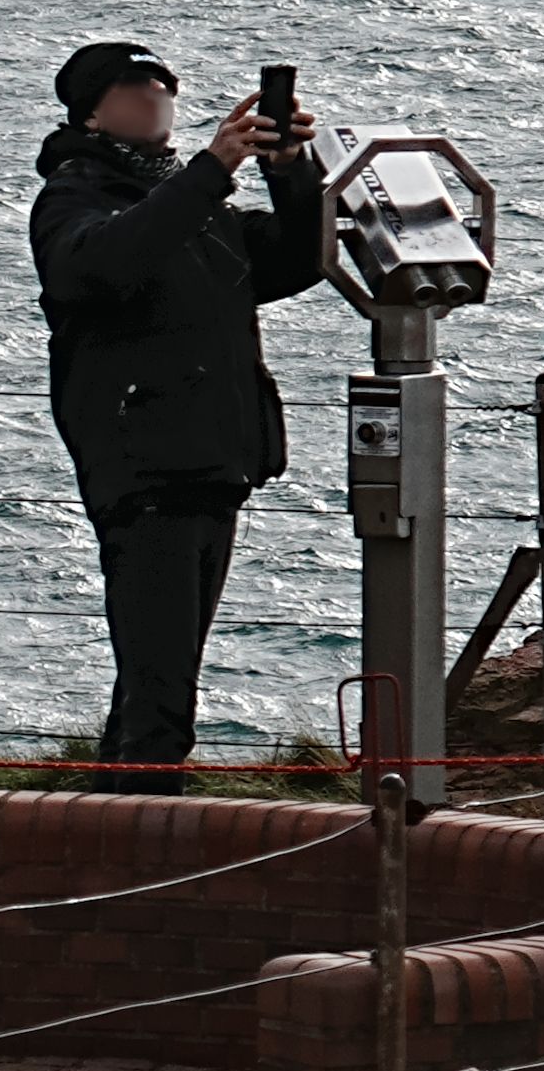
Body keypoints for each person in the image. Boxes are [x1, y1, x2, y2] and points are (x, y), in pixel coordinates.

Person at [30, 40, 324, 786]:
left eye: (163, 86)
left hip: (212, 454)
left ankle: (119, 795)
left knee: (162, 661)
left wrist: (288, 172)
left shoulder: (193, 204)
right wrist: (211, 171)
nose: (155, 98)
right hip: (145, 457)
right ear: (89, 109)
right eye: (134, 89)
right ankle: (148, 800)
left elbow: (298, 259)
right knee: (159, 668)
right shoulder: (73, 195)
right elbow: (103, 264)